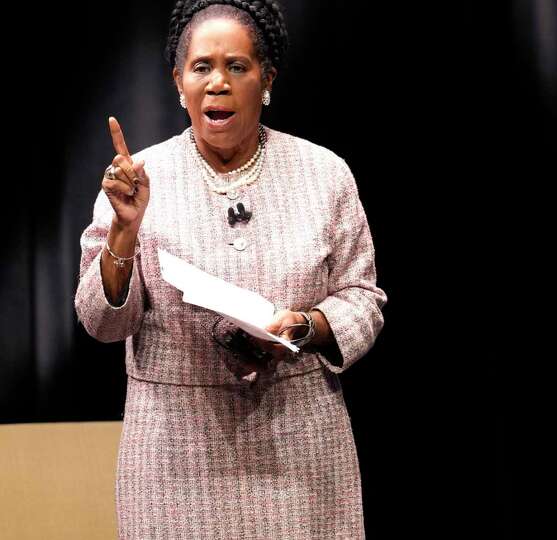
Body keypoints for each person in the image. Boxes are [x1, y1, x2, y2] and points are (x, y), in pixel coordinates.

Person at [74, 1, 386, 537]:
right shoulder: (135, 179)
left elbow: (363, 298)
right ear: (178, 81)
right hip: (173, 457)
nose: (218, 83)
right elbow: (101, 323)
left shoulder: (324, 173)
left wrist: (306, 326)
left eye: (237, 67)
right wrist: (124, 230)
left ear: (267, 78)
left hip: (301, 450)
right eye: (201, 67)